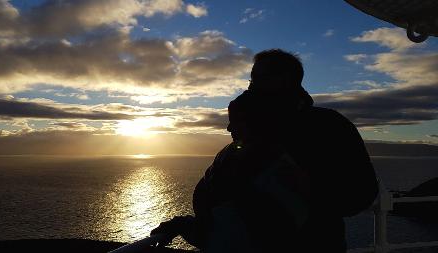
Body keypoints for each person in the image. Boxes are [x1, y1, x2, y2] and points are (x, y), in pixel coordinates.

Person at [152, 49, 378, 253]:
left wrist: (308, 189)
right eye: (252, 78)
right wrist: (183, 226)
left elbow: (360, 194)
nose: (251, 85)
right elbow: (225, 218)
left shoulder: (327, 127)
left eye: (260, 77)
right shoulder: (238, 145)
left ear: (286, 80)